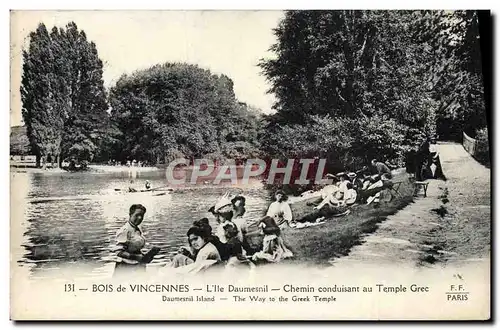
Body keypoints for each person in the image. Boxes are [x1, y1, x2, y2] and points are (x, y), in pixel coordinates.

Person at [112, 204, 159, 278]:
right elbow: (119, 252)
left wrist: (146, 256)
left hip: (138, 266)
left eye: (142, 216)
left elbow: (135, 248)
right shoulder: (125, 230)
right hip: (125, 266)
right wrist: (137, 257)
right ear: (130, 215)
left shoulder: (137, 229)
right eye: (137, 215)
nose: (139, 218)